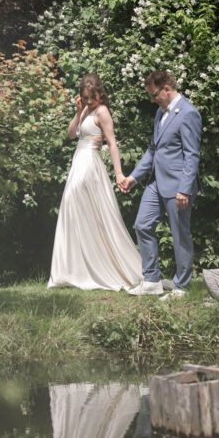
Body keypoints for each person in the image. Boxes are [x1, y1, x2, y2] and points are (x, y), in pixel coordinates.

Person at [47, 74, 142, 290]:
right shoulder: (86, 111)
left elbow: (113, 144)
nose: (89, 101)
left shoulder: (102, 112)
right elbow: (71, 134)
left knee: (77, 202)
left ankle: (99, 266)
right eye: (85, 98)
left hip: (90, 163)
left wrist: (119, 174)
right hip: (78, 162)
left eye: (91, 98)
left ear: (100, 93)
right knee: (73, 208)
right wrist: (79, 110)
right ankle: (74, 269)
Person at [120, 71, 202, 300]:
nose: (153, 99)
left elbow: (192, 155)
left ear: (167, 88)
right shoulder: (160, 113)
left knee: (180, 235)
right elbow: (153, 150)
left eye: (154, 94)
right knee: (142, 225)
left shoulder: (188, 114)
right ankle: (152, 281)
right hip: (156, 183)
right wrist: (134, 177)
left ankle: (182, 288)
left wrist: (185, 188)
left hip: (178, 187)